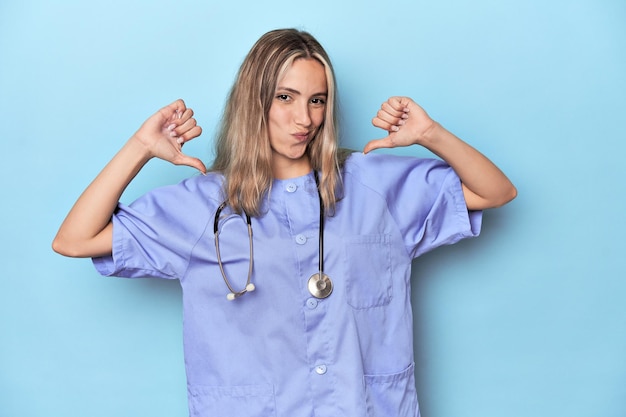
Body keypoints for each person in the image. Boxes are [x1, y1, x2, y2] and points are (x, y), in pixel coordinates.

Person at [53, 28, 516, 417]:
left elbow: (496, 192)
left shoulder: (372, 185)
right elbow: (75, 239)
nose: (305, 118)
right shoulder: (204, 206)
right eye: (285, 97)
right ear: (255, 102)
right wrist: (140, 146)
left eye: (317, 100)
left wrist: (430, 134)